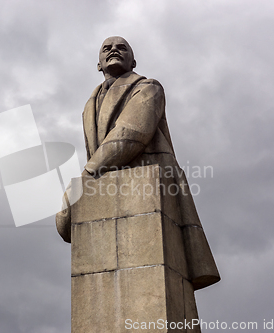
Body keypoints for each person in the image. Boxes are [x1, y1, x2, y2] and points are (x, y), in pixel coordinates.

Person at [56, 36, 219, 291]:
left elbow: (131, 134)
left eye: (122, 47)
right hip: (109, 184)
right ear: (98, 64)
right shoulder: (90, 103)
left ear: (133, 60)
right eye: (106, 48)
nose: (113, 51)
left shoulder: (148, 87)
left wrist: (86, 177)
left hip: (147, 182)